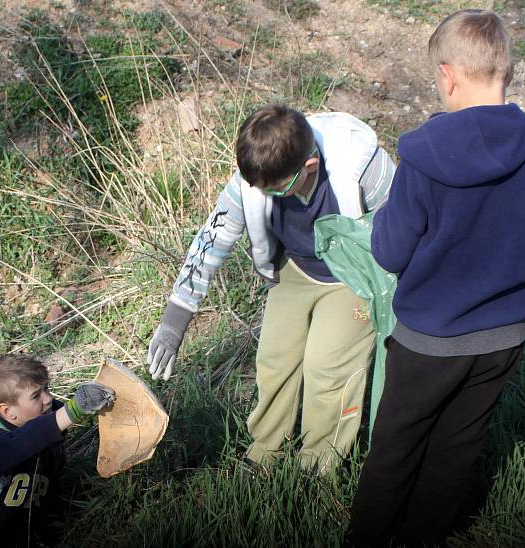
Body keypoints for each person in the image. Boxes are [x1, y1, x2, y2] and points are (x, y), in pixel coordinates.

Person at [346, 9, 525, 546]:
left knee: (396, 447)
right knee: (458, 446)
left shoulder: (422, 156)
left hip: (429, 338)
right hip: (504, 337)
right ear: (508, 73)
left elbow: (388, 251)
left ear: (448, 76)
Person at [147, 104, 395, 473]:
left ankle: (318, 466)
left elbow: (406, 225)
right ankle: (265, 453)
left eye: (276, 192)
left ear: (308, 167)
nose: (264, 196)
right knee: (274, 361)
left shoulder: (362, 166)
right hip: (295, 268)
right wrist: (174, 320)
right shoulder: (256, 177)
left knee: (327, 368)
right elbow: (210, 242)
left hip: (355, 276)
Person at [0, 355, 115, 547]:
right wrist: (74, 409)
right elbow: (21, 443)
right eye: (36, 396)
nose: (48, 399)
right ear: (8, 412)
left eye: (46, 388)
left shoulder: (44, 415)